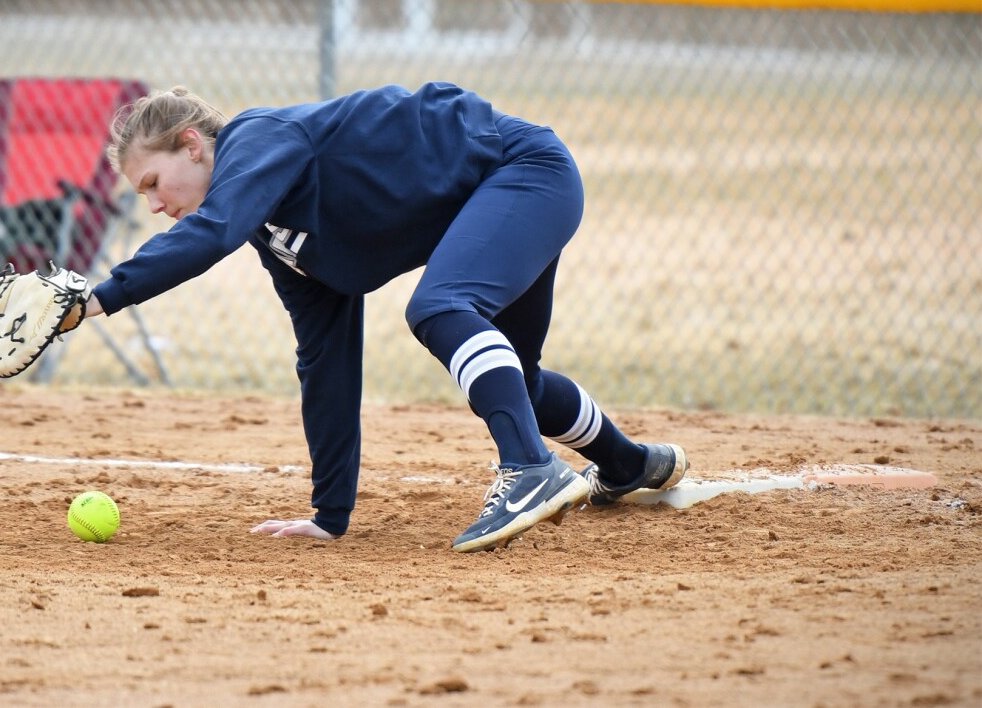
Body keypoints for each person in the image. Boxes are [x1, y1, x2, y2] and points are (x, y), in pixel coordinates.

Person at [81, 83, 687, 552]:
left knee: (441, 306)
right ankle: (629, 463)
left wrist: (99, 297)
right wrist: (329, 515)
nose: (156, 205)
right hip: (500, 197)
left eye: (154, 182)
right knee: (516, 383)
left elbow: (212, 234)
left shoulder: (259, 137)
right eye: (144, 196)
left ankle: (530, 468)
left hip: (524, 172)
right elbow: (325, 358)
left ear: (192, 143)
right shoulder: (276, 234)